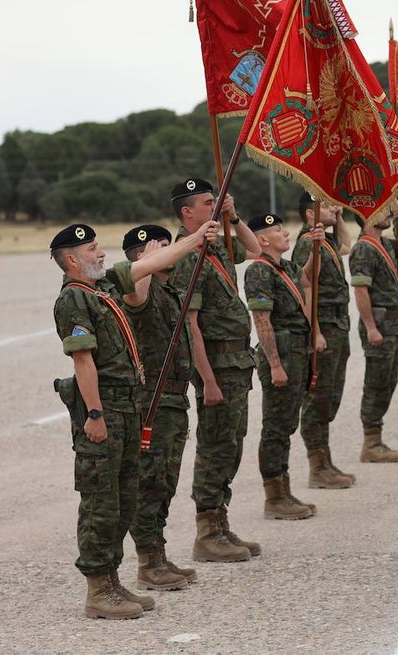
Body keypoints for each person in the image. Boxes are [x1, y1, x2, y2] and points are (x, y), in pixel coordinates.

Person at [50, 219, 217, 619]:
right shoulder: (74, 299)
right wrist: (94, 413)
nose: (101, 253)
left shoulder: (103, 287)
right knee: (101, 503)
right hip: (104, 408)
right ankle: (97, 589)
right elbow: (83, 360)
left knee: (125, 499)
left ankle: (113, 581)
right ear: (72, 259)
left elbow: (147, 265)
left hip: (128, 408)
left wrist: (195, 238)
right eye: (91, 250)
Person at [169, 177, 262, 563]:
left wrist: (234, 217)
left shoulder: (217, 243)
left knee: (232, 444)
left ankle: (220, 522)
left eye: (217, 201)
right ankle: (207, 531)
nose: (215, 206)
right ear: (187, 212)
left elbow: (255, 249)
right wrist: (206, 380)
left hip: (237, 361)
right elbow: (190, 326)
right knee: (215, 447)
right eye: (209, 203)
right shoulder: (187, 255)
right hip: (217, 366)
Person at [121, 225, 197, 593]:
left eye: (169, 246)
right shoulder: (140, 290)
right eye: (159, 248)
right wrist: (146, 265)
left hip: (174, 398)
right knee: (150, 482)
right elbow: (136, 297)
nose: (169, 252)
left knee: (165, 481)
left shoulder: (171, 290)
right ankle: (148, 563)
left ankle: (159, 555)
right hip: (152, 400)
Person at [244, 213, 325, 520]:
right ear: (262, 239)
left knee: (287, 423)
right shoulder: (259, 271)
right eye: (277, 230)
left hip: (296, 350)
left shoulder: (284, 267)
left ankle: (284, 489)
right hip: (282, 354)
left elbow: (308, 279)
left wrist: (316, 249)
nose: (285, 233)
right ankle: (274, 497)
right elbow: (262, 320)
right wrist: (275, 366)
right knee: (276, 427)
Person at [292, 192, 356, 489]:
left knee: (331, 396)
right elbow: (305, 290)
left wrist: (337, 218)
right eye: (329, 205)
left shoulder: (326, 241)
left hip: (337, 325)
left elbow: (346, 245)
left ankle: (326, 461)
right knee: (318, 399)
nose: (337, 207)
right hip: (325, 327)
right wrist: (314, 330)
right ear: (310, 213)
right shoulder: (308, 242)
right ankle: (317, 467)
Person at [349, 202, 398, 462]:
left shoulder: (385, 244)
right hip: (381, 325)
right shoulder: (363, 248)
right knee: (377, 382)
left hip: (394, 325)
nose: (387, 213)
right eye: (382, 209)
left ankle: (376, 439)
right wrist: (370, 327)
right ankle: (370, 443)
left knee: (388, 381)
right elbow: (361, 291)